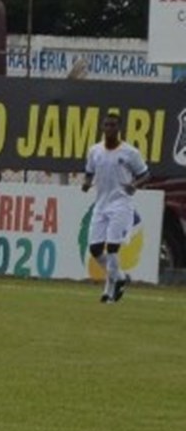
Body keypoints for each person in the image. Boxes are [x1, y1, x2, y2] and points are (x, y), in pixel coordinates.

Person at [82, 112, 151, 303]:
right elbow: (89, 172)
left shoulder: (130, 152)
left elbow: (145, 175)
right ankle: (119, 277)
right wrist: (86, 183)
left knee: (112, 247)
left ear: (119, 129)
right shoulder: (95, 151)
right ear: (102, 128)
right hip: (101, 205)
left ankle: (109, 290)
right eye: (107, 125)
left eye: (113, 125)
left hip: (121, 204)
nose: (110, 128)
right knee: (96, 249)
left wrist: (134, 185)